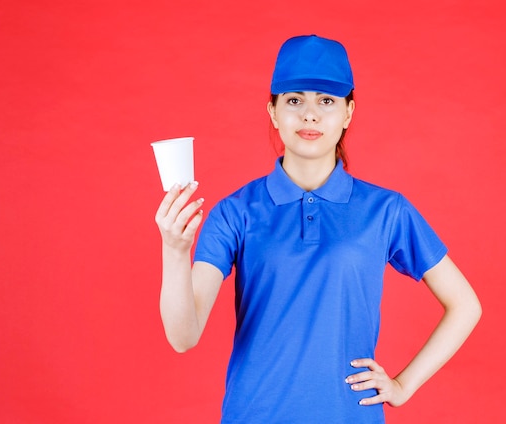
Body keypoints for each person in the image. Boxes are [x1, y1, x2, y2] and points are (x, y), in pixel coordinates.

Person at [155, 34, 481, 424]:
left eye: (326, 101)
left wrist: (403, 385)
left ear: (348, 113)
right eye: (295, 100)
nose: (310, 115)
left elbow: (465, 305)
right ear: (273, 112)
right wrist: (174, 252)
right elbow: (183, 337)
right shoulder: (235, 213)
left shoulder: (386, 210)